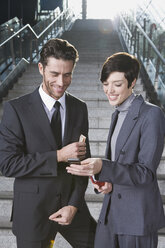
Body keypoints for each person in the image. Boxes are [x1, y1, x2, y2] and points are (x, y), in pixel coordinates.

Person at [0, 38, 96, 248]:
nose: (61, 82)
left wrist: (73, 204)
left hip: (72, 206)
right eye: (54, 74)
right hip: (33, 212)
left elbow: (82, 164)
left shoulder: (80, 108)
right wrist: (58, 156)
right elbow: (7, 164)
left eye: (68, 74)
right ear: (41, 68)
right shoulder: (16, 109)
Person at [67, 52, 165, 248]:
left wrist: (103, 166)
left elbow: (145, 173)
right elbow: (119, 165)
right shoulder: (117, 114)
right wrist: (107, 182)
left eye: (117, 84)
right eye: (105, 84)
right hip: (110, 215)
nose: (109, 90)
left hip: (137, 218)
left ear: (132, 82)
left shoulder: (151, 114)